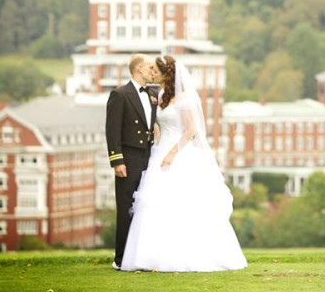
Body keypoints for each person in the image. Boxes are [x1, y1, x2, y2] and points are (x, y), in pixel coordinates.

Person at [121, 54, 247, 272]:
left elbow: (191, 130)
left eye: (155, 70)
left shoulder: (184, 97)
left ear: (165, 74)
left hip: (179, 153)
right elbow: (158, 124)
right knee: (155, 204)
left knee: (184, 204)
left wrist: (172, 153)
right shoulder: (159, 96)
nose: (152, 73)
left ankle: (188, 255)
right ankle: (151, 257)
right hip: (160, 151)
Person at [105, 53, 158, 270]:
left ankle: (142, 256)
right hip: (129, 157)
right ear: (138, 69)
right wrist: (117, 161)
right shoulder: (120, 94)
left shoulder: (153, 93)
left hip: (149, 156)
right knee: (126, 208)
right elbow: (112, 130)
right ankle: (121, 259)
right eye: (149, 67)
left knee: (145, 207)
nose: (152, 71)